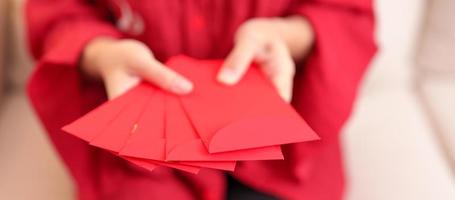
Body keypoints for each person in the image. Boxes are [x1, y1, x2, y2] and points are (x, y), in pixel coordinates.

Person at [25, 0, 376, 199]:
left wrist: (285, 36)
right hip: (141, 138)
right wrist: (103, 54)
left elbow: (344, 12)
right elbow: (60, 15)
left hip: (280, 138)